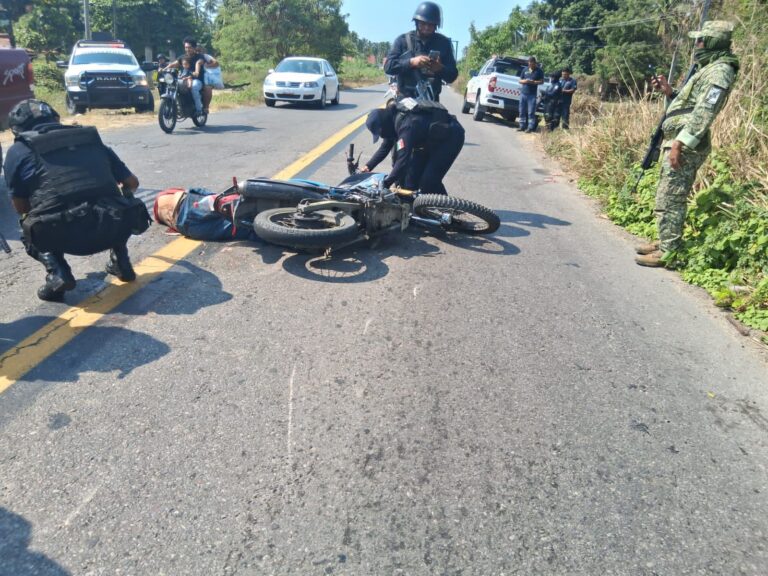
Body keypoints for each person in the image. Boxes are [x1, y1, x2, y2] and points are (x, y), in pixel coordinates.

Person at [2, 99, 149, 301]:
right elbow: (132, 182)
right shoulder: (88, 138)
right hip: (111, 227)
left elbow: (21, 206)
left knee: (27, 222)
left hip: (61, 235)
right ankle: (121, 261)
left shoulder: (18, 151)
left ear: (17, 129)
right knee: (117, 202)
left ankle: (58, 272)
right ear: (55, 118)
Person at [635, 21, 739, 267]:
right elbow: (689, 105)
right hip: (676, 140)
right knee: (666, 193)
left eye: (701, 40)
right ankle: (666, 239)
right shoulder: (708, 68)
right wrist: (670, 93)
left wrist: (681, 142)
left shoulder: (720, 71)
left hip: (686, 144)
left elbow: (706, 109)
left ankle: (670, 251)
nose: (697, 45)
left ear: (712, 42)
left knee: (671, 196)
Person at [365, 100, 465, 195]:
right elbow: (385, 147)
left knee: (428, 181)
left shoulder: (407, 125)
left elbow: (403, 160)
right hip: (430, 140)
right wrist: (368, 166)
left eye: (381, 133)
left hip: (450, 138)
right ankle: (413, 209)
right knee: (409, 180)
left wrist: (386, 184)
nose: (382, 136)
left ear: (384, 124)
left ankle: (448, 209)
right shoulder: (393, 120)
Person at [384, 2, 458, 102]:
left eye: (430, 24)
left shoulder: (444, 44)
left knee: (450, 118)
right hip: (404, 102)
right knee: (375, 116)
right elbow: (388, 66)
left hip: (432, 105)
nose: (427, 27)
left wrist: (440, 68)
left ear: (436, 25)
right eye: (423, 23)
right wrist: (411, 62)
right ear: (417, 22)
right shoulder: (402, 41)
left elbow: (452, 75)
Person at [162, 36, 205, 114]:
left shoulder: (199, 57)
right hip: (184, 78)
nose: (187, 49)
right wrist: (164, 69)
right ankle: (178, 106)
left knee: (194, 87)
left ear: (194, 47)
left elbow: (198, 63)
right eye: (186, 47)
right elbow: (173, 64)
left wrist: (196, 72)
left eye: (189, 47)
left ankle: (199, 109)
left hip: (197, 80)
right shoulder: (182, 57)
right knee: (172, 84)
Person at [518, 56, 544, 133]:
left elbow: (542, 81)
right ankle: (522, 126)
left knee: (531, 112)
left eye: (532, 64)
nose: (530, 65)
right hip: (523, 93)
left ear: (535, 63)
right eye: (529, 64)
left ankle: (530, 127)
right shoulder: (525, 70)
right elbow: (520, 80)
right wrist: (525, 81)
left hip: (532, 95)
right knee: (521, 110)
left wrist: (534, 82)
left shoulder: (539, 71)